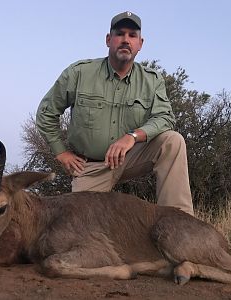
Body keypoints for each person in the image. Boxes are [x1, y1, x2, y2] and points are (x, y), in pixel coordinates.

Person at [36, 11, 194, 215]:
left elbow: (165, 117)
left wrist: (132, 136)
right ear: (108, 40)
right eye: (120, 34)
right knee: (81, 227)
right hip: (90, 167)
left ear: (140, 43)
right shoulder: (79, 73)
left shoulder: (152, 80)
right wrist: (62, 153)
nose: (126, 40)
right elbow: (46, 113)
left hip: (130, 158)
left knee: (172, 141)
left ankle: (179, 220)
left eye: (132, 35)